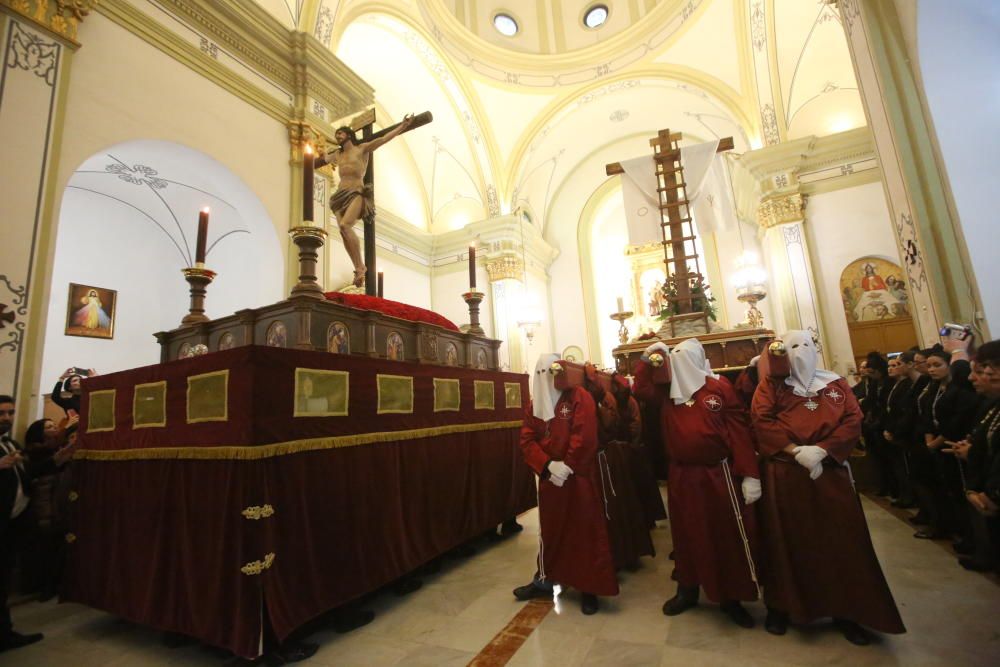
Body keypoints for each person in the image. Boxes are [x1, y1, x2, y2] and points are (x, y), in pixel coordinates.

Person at [751, 331, 905, 645]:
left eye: (806, 345)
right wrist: (795, 450)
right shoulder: (771, 385)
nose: (801, 352)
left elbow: (852, 419)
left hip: (829, 472)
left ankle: (846, 611)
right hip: (786, 474)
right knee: (787, 540)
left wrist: (822, 450)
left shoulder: (835, 384)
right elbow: (761, 420)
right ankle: (781, 607)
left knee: (841, 541)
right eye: (793, 347)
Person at [633, 339, 762, 629]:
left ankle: (732, 597)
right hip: (681, 474)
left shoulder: (719, 389)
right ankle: (687, 589)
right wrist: (645, 357)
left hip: (718, 474)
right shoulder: (667, 390)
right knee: (686, 533)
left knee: (724, 533)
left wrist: (749, 474)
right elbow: (639, 388)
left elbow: (739, 432)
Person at [513, 355, 618, 615]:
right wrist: (547, 466)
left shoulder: (577, 396)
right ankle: (545, 578)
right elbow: (527, 439)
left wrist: (567, 466)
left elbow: (584, 435)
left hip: (577, 477)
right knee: (550, 532)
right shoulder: (535, 405)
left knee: (584, 531)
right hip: (550, 479)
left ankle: (588, 586)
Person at [325, 116, 414, 287]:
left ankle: (361, 267)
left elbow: (383, 139)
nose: (338, 136)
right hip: (339, 196)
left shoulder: (362, 149)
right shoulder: (338, 154)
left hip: (356, 192)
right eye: (336, 135)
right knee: (343, 232)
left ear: (349, 135)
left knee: (345, 225)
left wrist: (402, 126)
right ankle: (358, 267)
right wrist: (325, 150)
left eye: (340, 133)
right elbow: (324, 157)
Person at [1, 395, 46, 652]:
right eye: (2, 414)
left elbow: (29, 474)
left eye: (10, 413)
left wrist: (59, 458)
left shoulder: (11, 444)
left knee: (3, 582)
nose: (7, 418)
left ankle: (5, 635)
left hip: (12, 525)